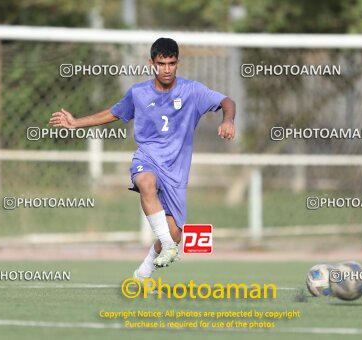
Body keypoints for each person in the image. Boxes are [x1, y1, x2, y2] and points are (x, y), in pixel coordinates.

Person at [49, 37, 236, 281]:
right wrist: (76, 122)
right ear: (151, 63)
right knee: (145, 182)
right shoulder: (138, 93)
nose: (166, 69)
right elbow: (114, 113)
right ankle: (169, 247)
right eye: (161, 63)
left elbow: (226, 101)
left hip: (176, 172)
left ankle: (142, 273)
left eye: (171, 63)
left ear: (178, 63)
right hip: (147, 158)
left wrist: (228, 119)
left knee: (174, 234)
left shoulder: (192, 91)